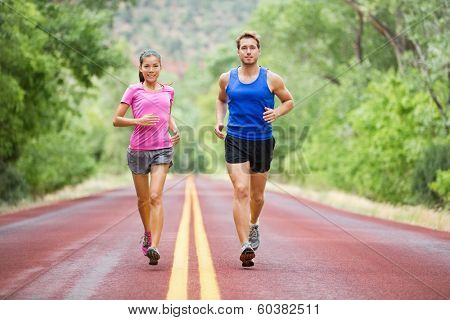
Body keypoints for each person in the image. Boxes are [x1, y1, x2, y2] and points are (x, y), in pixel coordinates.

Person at [214, 31, 294, 267]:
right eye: (244, 48)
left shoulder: (272, 79)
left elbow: (289, 101)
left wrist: (276, 112)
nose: (248, 51)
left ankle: (254, 224)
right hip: (236, 137)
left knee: (257, 196)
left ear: (259, 50)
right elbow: (221, 100)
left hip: (262, 140)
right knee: (240, 189)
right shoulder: (227, 78)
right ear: (238, 52)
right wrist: (219, 119)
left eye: (252, 47)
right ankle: (244, 244)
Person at [113, 49, 180, 265]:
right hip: (138, 150)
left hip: (162, 148)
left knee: (155, 196)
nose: (151, 70)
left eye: (155, 66)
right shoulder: (133, 90)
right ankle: (147, 232)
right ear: (141, 68)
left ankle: (154, 246)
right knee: (143, 199)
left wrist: (174, 129)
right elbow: (116, 120)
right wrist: (138, 121)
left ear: (161, 67)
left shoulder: (168, 91)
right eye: (147, 66)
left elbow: (166, 115)